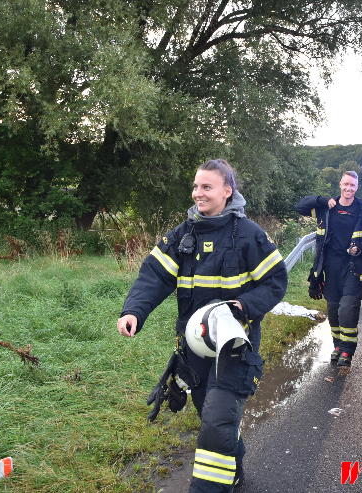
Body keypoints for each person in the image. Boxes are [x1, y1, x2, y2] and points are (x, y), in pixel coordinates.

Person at [117, 159, 287, 492]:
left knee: (217, 420)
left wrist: (245, 306)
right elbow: (153, 276)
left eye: (206, 187)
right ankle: (233, 468)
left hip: (234, 348)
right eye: (196, 186)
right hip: (193, 349)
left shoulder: (250, 235)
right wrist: (133, 311)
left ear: (228, 191)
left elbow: (275, 282)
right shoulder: (183, 235)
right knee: (213, 418)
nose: (198, 193)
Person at [295, 171, 362, 368]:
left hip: (354, 268)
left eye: (352, 186)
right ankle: (338, 347)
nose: (348, 188)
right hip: (330, 269)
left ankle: (348, 351)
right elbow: (300, 207)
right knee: (333, 311)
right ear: (340, 185)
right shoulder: (327, 208)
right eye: (346, 184)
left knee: (347, 309)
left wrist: (361, 247)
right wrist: (322, 200)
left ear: (357, 188)